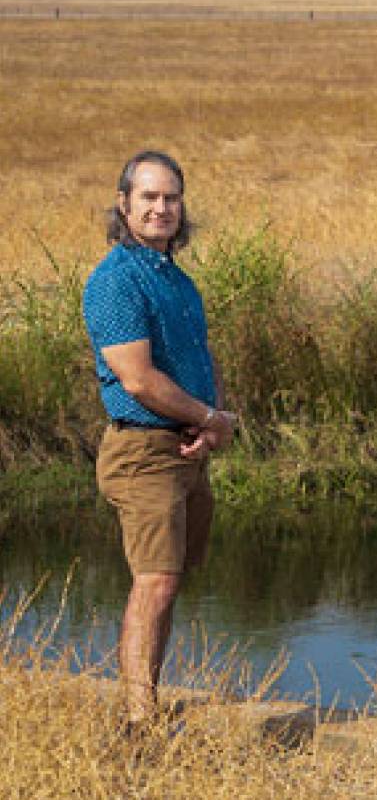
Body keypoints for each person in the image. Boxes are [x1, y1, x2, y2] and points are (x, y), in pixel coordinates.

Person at [82, 150, 237, 728]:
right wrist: (211, 417)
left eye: (170, 198)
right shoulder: (116, 281)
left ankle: (146, 700)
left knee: (169, 580)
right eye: (148, 197)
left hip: (182, 446)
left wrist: (204, 422)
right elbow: (137, 378)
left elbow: (195, 356)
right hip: (142, 450)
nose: (161, 208)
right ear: (123, 205)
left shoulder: (173, 278)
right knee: (155, 580)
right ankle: (139, 719)